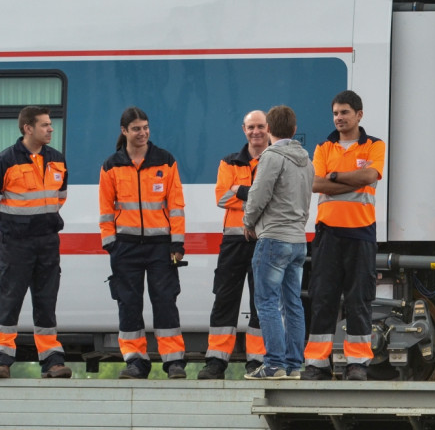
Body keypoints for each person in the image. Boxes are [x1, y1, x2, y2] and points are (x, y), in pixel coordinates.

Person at [0, 106, 71, 379]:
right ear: (28, 128)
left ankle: (52, 360)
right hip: (16, 243)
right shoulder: (5, 160)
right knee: (10, 299)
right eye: (44, 125)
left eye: (50, 124)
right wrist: (13, 224)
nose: (51, 129)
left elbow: (60, 197)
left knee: (46, 301)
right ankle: (2, 359)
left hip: (47, 242)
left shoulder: (57, 159)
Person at [98, 106, 188, 379]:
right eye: (136, 128)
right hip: (125, 247)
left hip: (161, 246)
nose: (143, 133)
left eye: (145, 127)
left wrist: (177, 243)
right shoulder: (112, 165)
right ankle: (135, 361)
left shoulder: (165, 160)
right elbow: (105, 209)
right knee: (128, 304)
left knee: (165, 302)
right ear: (124, 131)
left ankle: (173, 361)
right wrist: (110, 244)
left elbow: (176, 205)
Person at [302, 90, 385, 382]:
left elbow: (369, 177)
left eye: (345, 112)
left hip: (361, 233)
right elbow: (314, 184)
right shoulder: (323, 147)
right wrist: (346, 180)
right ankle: (316, 363)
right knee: (322, 298)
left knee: (358, 299)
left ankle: (357, 364)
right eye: (336, 113)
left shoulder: (375, 145)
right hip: (328, 235)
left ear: (359, 115)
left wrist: (334, 177)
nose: (339, 118)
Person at [241, 106, 315, 380]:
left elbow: (258, 195)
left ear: (269, 130)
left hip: (273, 238)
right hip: (298, 239)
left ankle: (273, 365)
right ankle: (294, 365)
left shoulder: (271, 157)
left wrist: (249, 222)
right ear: (294, 131)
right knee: (293, 303)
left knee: (267, 302)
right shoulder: (307, 162)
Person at [197, 110, 270, 380]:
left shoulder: (276, 161)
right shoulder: (229, 162)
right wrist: (256, 196)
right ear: (244, 129)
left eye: (260, 126)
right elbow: (221, 196)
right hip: (233, 240)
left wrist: (240, 190)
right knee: (225, 298)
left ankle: (257, 361)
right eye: (251, 127)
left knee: (261, 301)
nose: (256, 132)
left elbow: (276, 197)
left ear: (268, 128)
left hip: (264, 238)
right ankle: (216, 361)